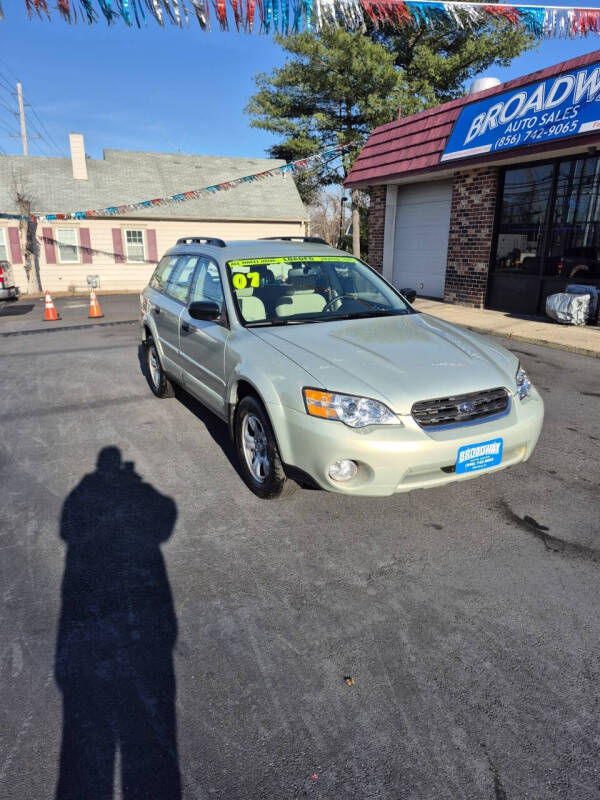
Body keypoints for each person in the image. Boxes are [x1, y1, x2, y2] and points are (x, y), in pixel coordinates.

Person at [55, 447, 180, 800]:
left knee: (83, 742)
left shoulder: (82, 491)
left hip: (85, 608)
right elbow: (167, 514)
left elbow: (67, 530)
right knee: (150, 730)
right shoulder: (127, 489)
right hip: (140, 612)